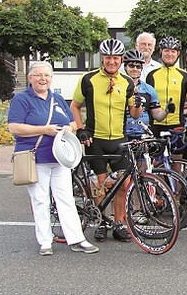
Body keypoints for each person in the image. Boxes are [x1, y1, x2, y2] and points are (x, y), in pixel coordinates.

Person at [8, 61, 99, 256]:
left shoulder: (57, 99)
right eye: (39, 75)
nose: (43, 79)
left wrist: (70, 128)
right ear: (30, 78)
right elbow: (14, 127)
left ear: (51, 78)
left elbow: (73, 122)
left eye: (47, 76)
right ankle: (45, 241)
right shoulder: (21, 99)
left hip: (60, 157)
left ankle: (76, 238)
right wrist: (44, 130)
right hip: (36, 157)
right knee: (40, 200)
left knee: (66, 198)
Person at [70, 38, 143, 242]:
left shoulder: (127, 82)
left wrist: (138, 104)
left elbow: (135, 114)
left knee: (123, 184)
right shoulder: (88, 79)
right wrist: (81, 128)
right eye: (108, 57)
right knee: (100, 185)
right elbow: (75, 106)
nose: (111, 61)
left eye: (115, 58)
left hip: (119, 140)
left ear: (121, 59)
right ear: (102, 58)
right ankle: (102, 221)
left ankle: (119, 223)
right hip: (96, 140)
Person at [146, 37, 187, 137]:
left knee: (177, 153)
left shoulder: (184, 75)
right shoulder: (152, 75)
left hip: (176, 124)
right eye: (166, 51)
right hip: (155, 124)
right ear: (161, 51)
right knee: (156, 153)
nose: (169, 54)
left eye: (173, 51)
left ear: (178, 53)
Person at [122, 49, 169, 139]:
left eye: (138, 66)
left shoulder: (149, 89)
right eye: (131, 66)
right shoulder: (118, 87)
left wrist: (166, 111)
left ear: (141, 68)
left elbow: (157, 116)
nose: (135, 69)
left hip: (144, 135)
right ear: (125, 67)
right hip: (123, 135)